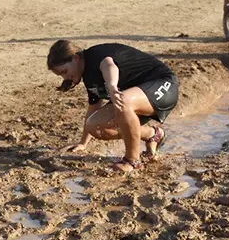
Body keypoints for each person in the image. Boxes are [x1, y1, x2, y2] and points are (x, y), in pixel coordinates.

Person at [48, 40, 178, 173]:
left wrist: (112, 86)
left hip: (164, 85)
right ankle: (152, 134)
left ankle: (132, 161)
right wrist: (83, 143)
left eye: (65, 71)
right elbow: (93, 108)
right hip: (136, 95)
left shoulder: (95, 56)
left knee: (123, 100)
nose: (65, 77)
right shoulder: (88, 76)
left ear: (75, 58)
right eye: (61, 75)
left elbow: (109, 65)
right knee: (94, 126)